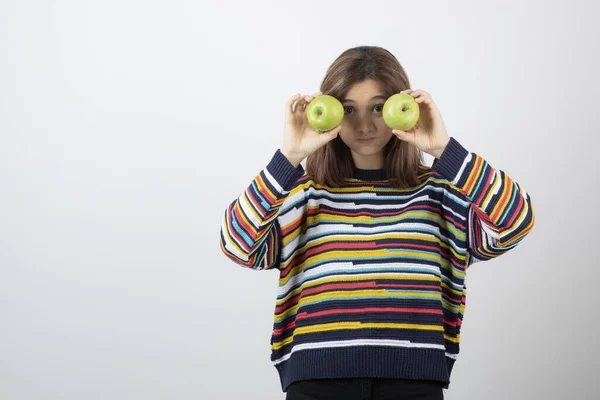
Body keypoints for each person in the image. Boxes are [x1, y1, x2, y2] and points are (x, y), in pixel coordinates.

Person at [219, 45, 535, 400]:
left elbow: (515, 221)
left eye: (379, 109)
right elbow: (237, 244)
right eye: (349, 110)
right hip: (315, 383)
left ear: (404, 106)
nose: (365, 126)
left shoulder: (440, 193)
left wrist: (445, 149)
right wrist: (289, 157)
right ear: (331, 111)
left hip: (413, 383)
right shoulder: (303, 194)